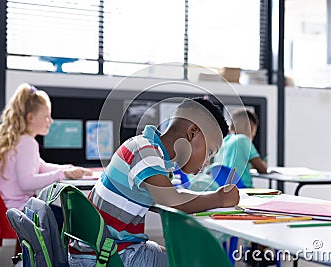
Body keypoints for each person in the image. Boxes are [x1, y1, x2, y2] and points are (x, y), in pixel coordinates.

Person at [69, 97, 240, 267]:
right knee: (201, 263)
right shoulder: (146, 152)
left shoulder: (147, 149)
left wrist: (211, 196)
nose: (207, 162)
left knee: (178, 255)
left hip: (101, 251)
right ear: (193, 132)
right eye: (210, 152)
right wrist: (219, 199)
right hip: (110, 256)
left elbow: (172, 198)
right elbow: (173, 202)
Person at [0, 83, 92, 210]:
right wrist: (63, 174)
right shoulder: (27, 143)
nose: (51, 121)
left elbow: (42, 167)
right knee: (71, 216)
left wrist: (69, 169)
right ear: (31, 117)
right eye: (46, 116)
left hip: (10, 212)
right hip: (21, 213)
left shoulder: (18, 141)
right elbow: (26, 183)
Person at [213, 108, 267, 188]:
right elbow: (262, 169)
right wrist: (264, 164)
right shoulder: (243, 139)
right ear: (248, 127)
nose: (252, 137)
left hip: (222, 189)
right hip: (242, 189)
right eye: (253, 133)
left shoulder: (223, 141)